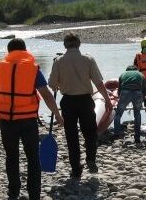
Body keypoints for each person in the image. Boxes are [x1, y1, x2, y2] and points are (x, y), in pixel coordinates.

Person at [0, 38, 63, 200]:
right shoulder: (33, 68)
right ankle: (35, 197)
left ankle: (13, 193)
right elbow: (46, 94)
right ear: (25, 50)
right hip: (28, 120)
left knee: (12, 156)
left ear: (9, 52)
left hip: (7, 120)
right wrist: (57, 114)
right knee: (33, 158)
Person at [48, 32, 113, 179]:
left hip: (68, 101)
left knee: (72, 136)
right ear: (79, 44)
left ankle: (76, 169)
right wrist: (107, 100)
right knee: (90, 133)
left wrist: (60, 83)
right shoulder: (88, 59)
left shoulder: (58, 61)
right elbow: (99, 83)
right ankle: (90, 159)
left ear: (65, 45)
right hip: (85, 101)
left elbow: (52, 84)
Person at [113, 65, 146, 144]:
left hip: (125, 92)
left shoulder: (123, 74)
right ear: (136, 69)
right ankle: (137, 137)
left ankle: (117, 134)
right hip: (137, 93)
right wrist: (142, 99)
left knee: (118, 114)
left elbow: (120, 88)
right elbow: (144, 89)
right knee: (137, 113)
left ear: (127, 69)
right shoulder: (141, 74)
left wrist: (121, 98)